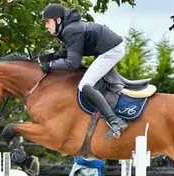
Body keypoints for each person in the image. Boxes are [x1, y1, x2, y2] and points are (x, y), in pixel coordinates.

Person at [40, 3, 128, 137]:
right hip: (106, 49)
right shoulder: (69, 29)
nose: (46, 26)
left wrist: (51, 64)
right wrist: (53, 56)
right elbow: (71, 52)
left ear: (58, 20)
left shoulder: (70, 29)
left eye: (47, 21)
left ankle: (115, 120)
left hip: (111, 51)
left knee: (85, 85)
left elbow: (73, 63)